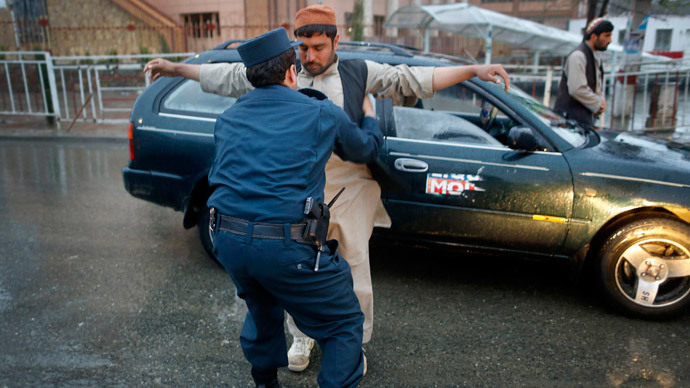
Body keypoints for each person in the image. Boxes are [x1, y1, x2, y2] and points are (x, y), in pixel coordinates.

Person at [144, 4, 509, 372]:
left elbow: (411, 78)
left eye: (318, 47)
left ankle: (352, 345)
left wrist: (474, 71)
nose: (310, 57)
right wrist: (175, 69)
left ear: (336, 40)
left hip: (348, 187)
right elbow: (223, 74)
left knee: (353, 268)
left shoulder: (359, 71)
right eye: (303, 49)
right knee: (296, 269)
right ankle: (301, 338)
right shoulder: (282, 70)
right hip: (298, 194)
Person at [208, 26, 383, 388]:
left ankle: (265, 382)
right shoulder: (320, 113)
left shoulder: (228, 119)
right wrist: (371, 118)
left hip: (226, 240)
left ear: (252, 78)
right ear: (291, 72)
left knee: (263, 302)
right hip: (287, 246)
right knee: (343, 322)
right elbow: (363, 149)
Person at [554, 17, 613, 127]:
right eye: (607, 35)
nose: (610, 40)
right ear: (594, 36)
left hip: (581, 120)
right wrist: (598, 104)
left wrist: (601, 101)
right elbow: (577, 89)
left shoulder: (594, 56)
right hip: (569, 121)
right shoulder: (578, 56)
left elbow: (597, 86)